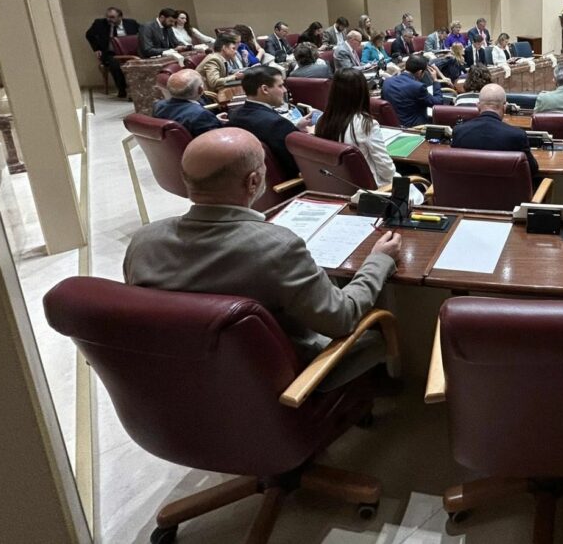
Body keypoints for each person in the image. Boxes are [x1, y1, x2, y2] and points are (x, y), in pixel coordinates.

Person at [124, 127, 401, 390]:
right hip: (277, 380)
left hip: (185, 378)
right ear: (253, 181)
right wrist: (378, 261)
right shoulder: (278, 247)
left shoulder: (143, 241)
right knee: (373, 333)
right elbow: (341, 318)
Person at [316, 69, 424, 203]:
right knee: (421, 181)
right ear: (362, 93)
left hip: (340, 190)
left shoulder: (322, 121)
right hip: (375, 193)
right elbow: (387, 171)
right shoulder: (366, 124)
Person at [451, 83, 541, 185]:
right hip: (507, 199)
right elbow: (533, 170)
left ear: (478, 106)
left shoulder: (459, 131)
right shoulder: (517, 136)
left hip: (466, 197)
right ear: (505, 107)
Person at [226, 66, 310, 175]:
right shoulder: (277, 124)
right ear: (265, 89)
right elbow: (298, 165)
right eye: (280, 86)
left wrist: (294, 128)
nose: (285, 90)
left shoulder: (233, 115)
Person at [85, 6, 140, 98]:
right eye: (107, 17)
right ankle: (122, 89)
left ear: (120, 17)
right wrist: (96, 49)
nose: (109, 19)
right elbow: (89, 35)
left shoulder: (131, 23)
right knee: (115, 65)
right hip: (111, 53)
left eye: (112, 17)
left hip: (130, 53)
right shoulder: (100, 23)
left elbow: (142, 33)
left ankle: (137, 89)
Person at [152, 69, 223, 137]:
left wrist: (213, 120)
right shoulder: (200, 115)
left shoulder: (158, 106)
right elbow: (217, 139)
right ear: (200, 90)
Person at [381, 55, 443, 127]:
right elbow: (438, 103)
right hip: (415, 127)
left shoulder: (387, 82)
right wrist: (435, 80)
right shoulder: (418, 87)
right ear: (420, 72)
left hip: (393, 125)